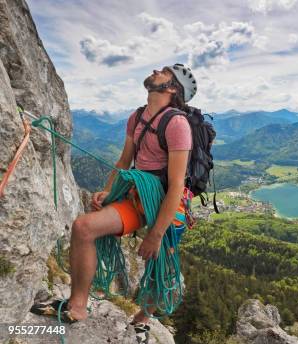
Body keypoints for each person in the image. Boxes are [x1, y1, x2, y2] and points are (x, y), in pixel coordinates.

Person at [31, 63, 198, 342]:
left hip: (169, 203)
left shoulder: (177, 124)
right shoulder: (138, 117)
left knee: (160, 263)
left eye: (165, 71)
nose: (157, 70)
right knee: (84, 228)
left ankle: (143, 320)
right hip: (138, 195)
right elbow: (124, 161)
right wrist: (108, 190)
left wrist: (155, 235)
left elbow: (176, 184)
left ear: (171, 88)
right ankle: (77, 307)